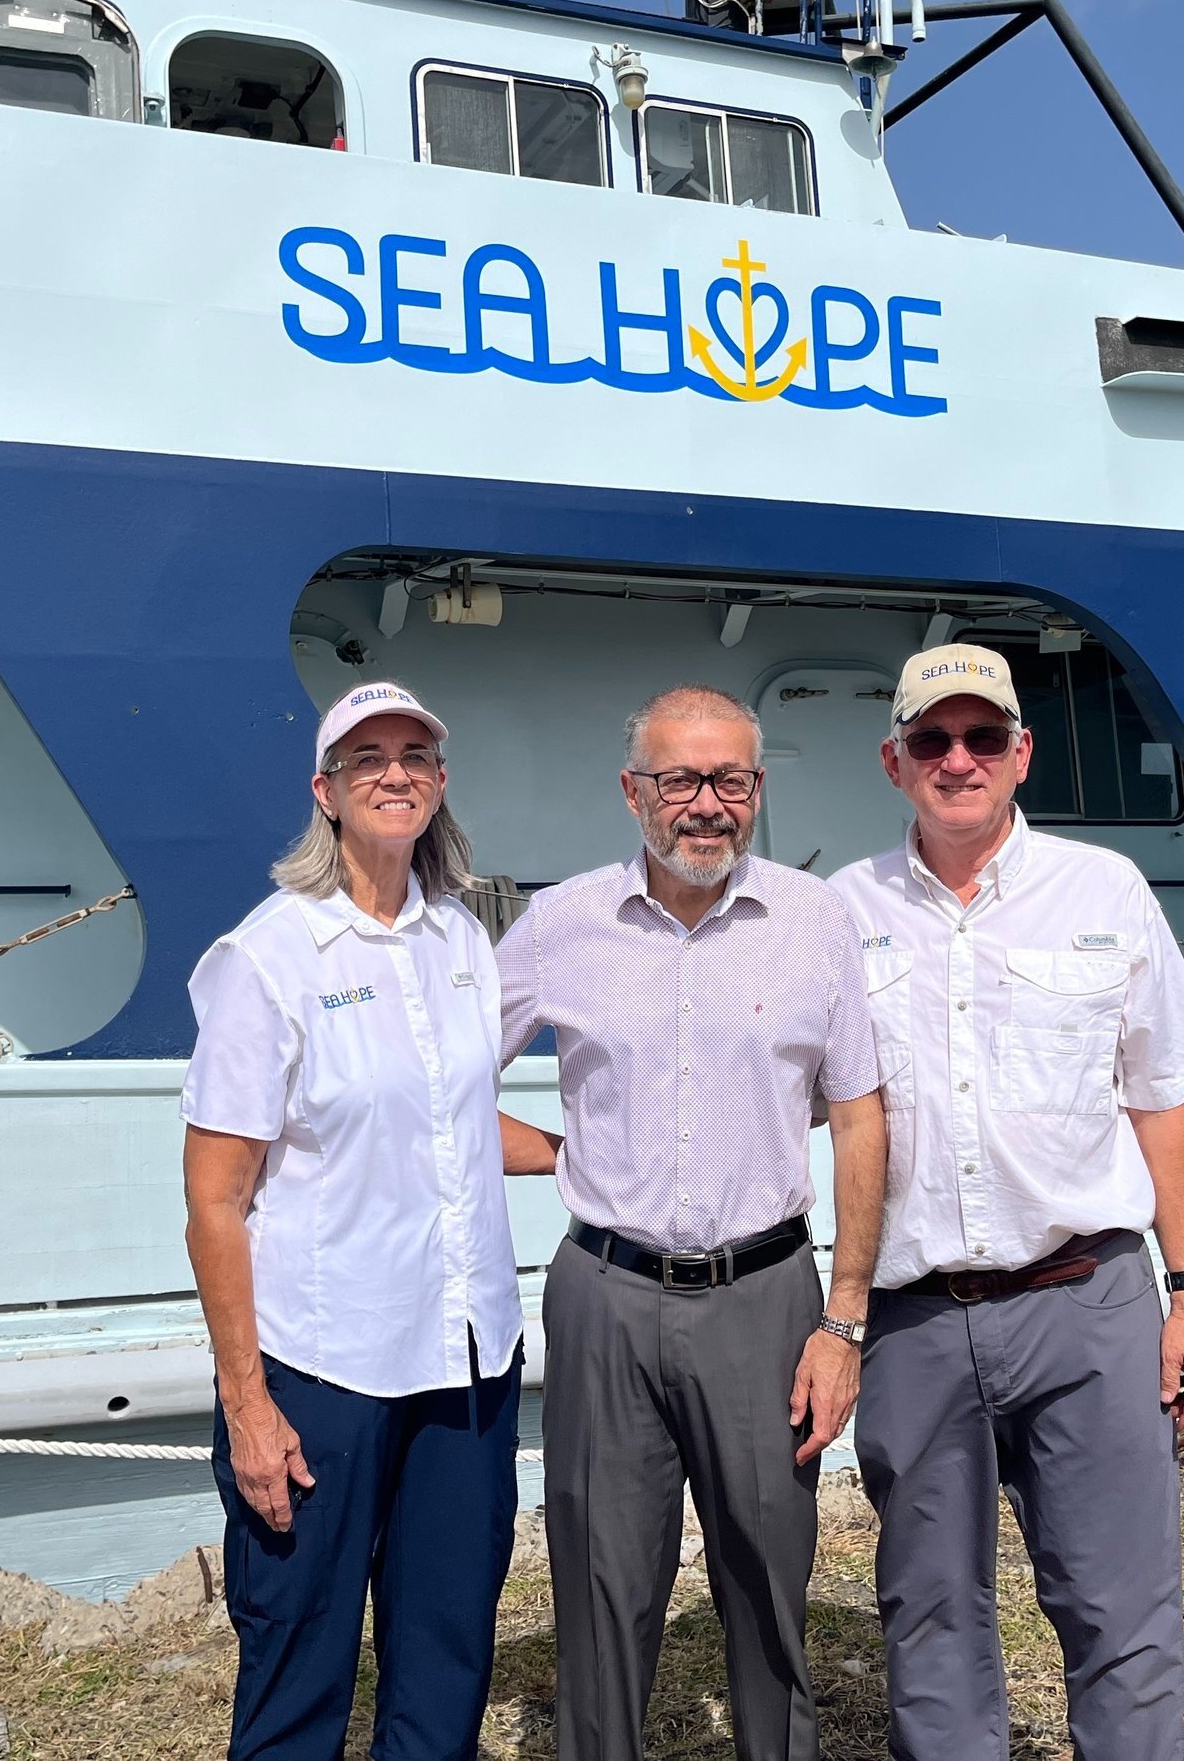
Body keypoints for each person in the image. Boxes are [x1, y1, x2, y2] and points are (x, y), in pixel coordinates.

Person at [829, 643, 1184, 1761]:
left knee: (1120, 1612)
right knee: (930, 1618)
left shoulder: (1106, 891)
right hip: (912, 1320)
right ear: (894, 760)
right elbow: (786, 1096)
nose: (958, 760)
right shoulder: (838, 912)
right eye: (932, 740)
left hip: (1088, 1303)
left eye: (983, 737)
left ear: (1022, 755)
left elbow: (1159, 1101)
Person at [496, 684, 888, 1761]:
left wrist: (844, 1318)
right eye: (680, 779)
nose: (704, 804)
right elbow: (433, 1083)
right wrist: (560, 1154)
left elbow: (860, 1119)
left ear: (757, 792)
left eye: (730, 781)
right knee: (600, 1584)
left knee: (768, 1584)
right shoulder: (561, 923)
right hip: (605, 1297)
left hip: (767, 1300)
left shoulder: (815, 924)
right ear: (635, 792)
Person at [180, 679, 524, 1761]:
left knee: (447, 1658)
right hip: (325, 1370)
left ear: (440, 783)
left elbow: (450, 1119)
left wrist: (587, 1154)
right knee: (299, 1665)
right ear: (324, 790)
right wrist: (248, 1405)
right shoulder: (268, 960)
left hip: (466, 1358)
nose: (394, 772)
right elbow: (215, 1198)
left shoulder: (460, 940)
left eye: (415, 754)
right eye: (366, 756)